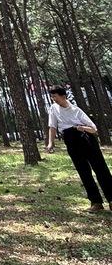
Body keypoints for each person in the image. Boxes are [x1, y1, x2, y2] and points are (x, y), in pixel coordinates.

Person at [46, 84, 112, 213]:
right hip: (70, 139)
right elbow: (52, 127)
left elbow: (93, 129)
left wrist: (82, 128)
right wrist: (50, 143)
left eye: (55, 96)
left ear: (63, 96)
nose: (53, 99)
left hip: (86, 139)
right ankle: (96, 202)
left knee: (100, 168)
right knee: (83, 171)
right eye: (52, 96)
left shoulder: (76, 110)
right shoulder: (53, 109)